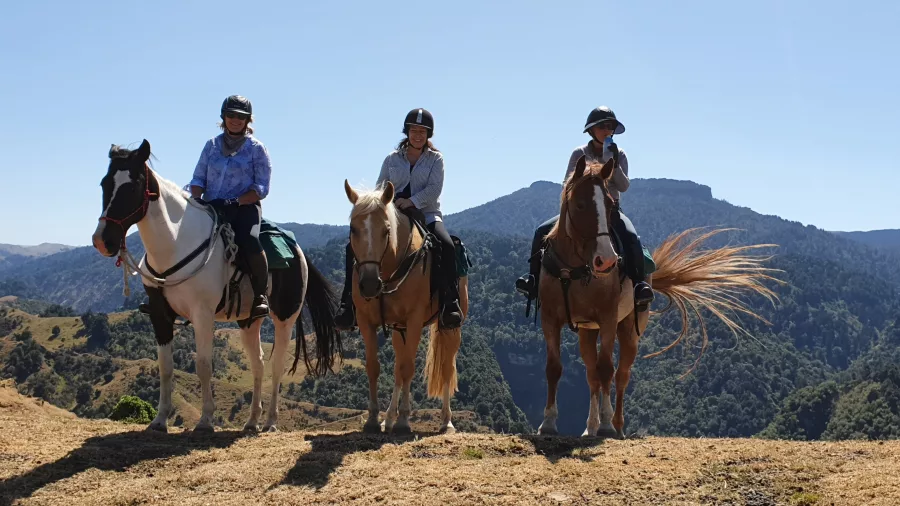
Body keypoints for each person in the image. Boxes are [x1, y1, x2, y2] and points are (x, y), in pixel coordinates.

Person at [334, 108, 463, 330]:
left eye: (422, 131)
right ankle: (348, 304)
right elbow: (380, 187)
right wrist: (388, 205)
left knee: (447, 245)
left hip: (427, 214)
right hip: (393, 215)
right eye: (414, 130)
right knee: (351, 248)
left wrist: (411, 201)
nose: (418, 135)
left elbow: (434, 189)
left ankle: (449, 303)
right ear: (407, 132)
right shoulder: (391, 159)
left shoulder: (436, 159)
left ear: (428, 134)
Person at [514, 106, 654, 310]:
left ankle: (640, 286)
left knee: (632, 237)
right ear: (592, 130)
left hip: (610, 211)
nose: (608, 130)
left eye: (611, 127)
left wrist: (613, 164)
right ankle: (533, 281)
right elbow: (567, 185)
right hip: (580, 211)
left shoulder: (620, 154)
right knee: (541, 231)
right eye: (604, 126)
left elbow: (623, 186)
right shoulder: (579, 153)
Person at [187, 94, 273, 320]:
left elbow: (262, 186)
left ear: (248, 120)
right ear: (223, 117)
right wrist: (197, 200)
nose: (235, 120)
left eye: (241, 116)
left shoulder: (257, 149)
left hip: (244, 208)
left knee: (249, 239)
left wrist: (237, 201)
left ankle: (260, 295)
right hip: (211, 207)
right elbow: (197, 179)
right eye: (231, 115)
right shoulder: (211, 145)